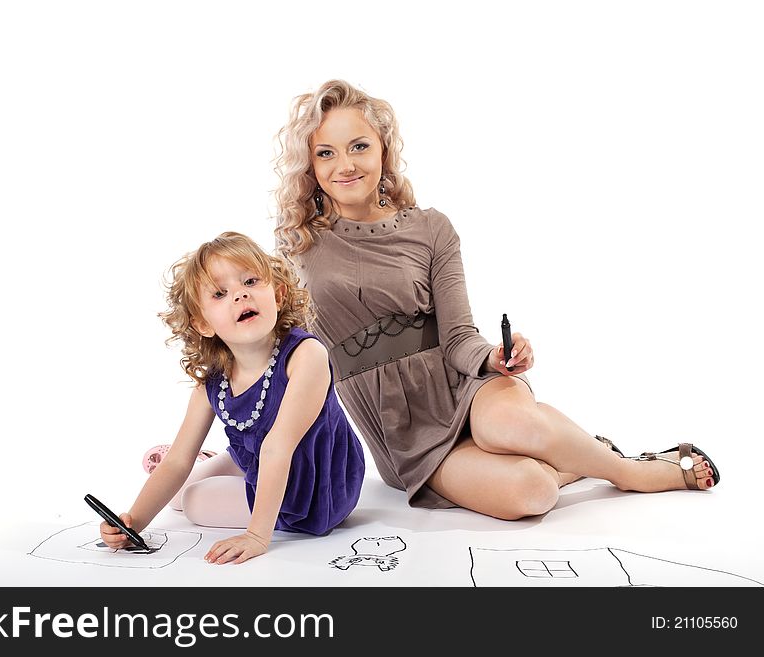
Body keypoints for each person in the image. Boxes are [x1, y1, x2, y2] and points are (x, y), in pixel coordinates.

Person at [271, 79, 719, 520]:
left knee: (512, 424)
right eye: (325, 153)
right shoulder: (299, 247)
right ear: (309, 166)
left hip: (467, 385)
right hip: (400, 428)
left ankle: (629, 472)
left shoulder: (430, 228)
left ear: (383, 149)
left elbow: (459, 335)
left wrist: (496, 358)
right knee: (533, 492)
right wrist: (241, 437)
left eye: (358, 146)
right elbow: (281, 356)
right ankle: (585, 454)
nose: (345, 165)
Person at [99, 231, 365, 563]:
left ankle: (216, 465)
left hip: (310, 489)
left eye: (251, 282)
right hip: (260, 458)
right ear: (203, 324)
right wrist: (132, 522)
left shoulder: (306, 355)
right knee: (178, 492)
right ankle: (214, 461)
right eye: (221, 294)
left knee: (192, 501)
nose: (240, 296)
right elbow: (177, 461)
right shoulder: (214, 380)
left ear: (278, 295)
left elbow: (278, 447)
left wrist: (257, 535)